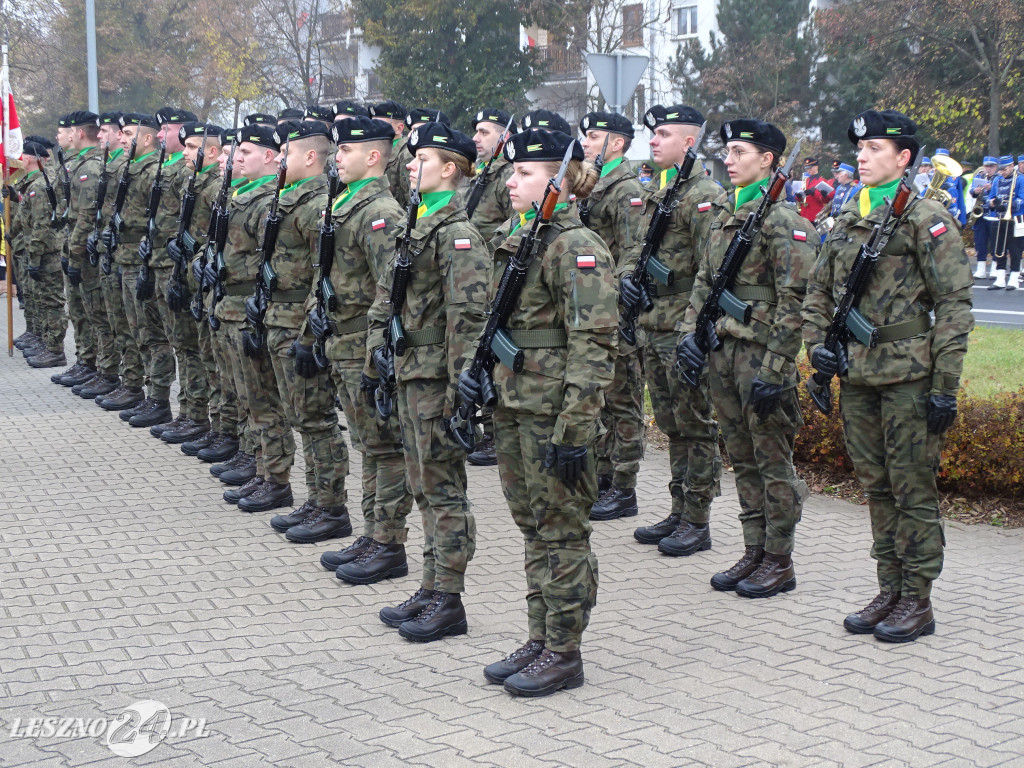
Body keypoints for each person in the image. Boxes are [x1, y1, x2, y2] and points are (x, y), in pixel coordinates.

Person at [803, 109, 974, 642]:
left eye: (875, 147)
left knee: (911, 487)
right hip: (856, 375)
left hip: (908, 375)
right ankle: (889, 586)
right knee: (876, 488)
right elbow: (818, 294)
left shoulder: (927, 218)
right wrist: (817, 349)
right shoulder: (843, 216)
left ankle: (918, 598)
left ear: (903, 159)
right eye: (859, 147)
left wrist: (944, 385)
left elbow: (954, 305)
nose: (862, 155)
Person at [462, 127, 615, 697]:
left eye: (525, 172)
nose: (511, 179)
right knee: (532, 527)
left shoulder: (575, 249)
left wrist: (576, 428)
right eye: (512, 170)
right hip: (513, 404)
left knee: (563, 530)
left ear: (561, 178)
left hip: (553, 412)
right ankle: (539, 634)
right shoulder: (518, 236)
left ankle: (565, 650)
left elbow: (594, 344)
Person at [678, 118, 816, 598]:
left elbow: (796, 303)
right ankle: (754, 549)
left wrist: (777, 370)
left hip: (760, 357)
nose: (729, 160)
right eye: (728, 151)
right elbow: (704, 280)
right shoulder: (723, 211)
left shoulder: (784, 222)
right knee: (742, 457)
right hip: (723, 350)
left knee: (772, 460)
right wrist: (690, 332)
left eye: (740, 152)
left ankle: (779, 558)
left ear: (768, 160)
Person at [366, 121, 488, 643]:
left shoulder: (458, 236)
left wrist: (462, 393)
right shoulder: (417, 225)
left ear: (451, 170)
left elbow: (468, 319)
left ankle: (450, 597)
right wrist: (377, 358)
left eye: (422, 160)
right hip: (408, 375)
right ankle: (430, 583)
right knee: (421, 486)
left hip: (435, 381)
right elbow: (386, 295)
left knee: (444, 490)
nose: (411, 166)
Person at [309, 116, 415, 580]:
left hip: (363, 342)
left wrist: (379, 352)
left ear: (374, 157)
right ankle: (373, 533)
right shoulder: (347, 205)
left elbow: (390, 289)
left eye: (347, 151)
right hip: (344, 340)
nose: (337, 158)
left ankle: (389, 544)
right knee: (369, 443)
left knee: (386, 447)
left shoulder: (382, 214)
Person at [620, 105, 723, 556]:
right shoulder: (660, 193)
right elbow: (641, 251)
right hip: (653, 324)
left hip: (681, 326)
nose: (654, 141)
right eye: (653, 134)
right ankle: (679, 508)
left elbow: (711, 270)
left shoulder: (704, 196)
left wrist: (695, 331)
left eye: (663, 134)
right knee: (672, 424)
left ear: (689, 142)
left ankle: (698, 519)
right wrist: (630, 281)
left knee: (695, 425)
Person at [212, 124, 296, 509]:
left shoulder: (267, 203)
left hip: (249, 310)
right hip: (230, 307)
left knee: (264, 402)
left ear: (270, 156)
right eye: (237, 151)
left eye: (246, 151)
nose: (237, 158)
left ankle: (275, 480)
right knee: (248, 399)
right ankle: (261, 470)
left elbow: (269, 262)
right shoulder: (238, 195)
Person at [575, 111, 647, 521]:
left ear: (616, 143)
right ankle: (602, 476)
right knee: (599, 397)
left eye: (595, 136)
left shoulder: (625, 189)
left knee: (622, 399)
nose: (587, 141)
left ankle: (624, 486)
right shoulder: (593, 183)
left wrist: (618, 296)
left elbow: (633, 249)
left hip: (614, 306)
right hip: (590, 303)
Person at [464, 107, 518, 468]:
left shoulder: (506, 177)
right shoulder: (480, 175)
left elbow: (512, 226)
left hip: (495, 278)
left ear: (504, 137)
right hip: (474, 281)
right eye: (476, 132)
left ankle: (496, 435)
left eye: (485, 132)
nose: (476, 139)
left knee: (494, 354)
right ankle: (484, 428)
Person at [17, 142, 68, 368]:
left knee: (51, 302)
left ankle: (55, 349)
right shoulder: (34, 184)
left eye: (21, 156)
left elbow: (41, 224)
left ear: (29, 158)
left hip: (47, 252)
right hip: (40, 250)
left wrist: (35, 257)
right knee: (41, 300)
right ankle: (47, 343)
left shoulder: (39, 185)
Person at [986, 155, 1023, 290]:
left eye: (1005, 169)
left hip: (1015, 219)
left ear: (1012, 166)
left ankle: (1014, 278)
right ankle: (1000, 278)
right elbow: (990, 198)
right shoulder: (997, 180)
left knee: (1015, 249)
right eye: (1000, 169)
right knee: (998, 249)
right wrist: (992, 203)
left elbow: (1022, 199)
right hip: (999, 218)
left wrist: (1008, 205)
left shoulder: (1020, 179)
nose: (1002, 172)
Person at [969, 157, 998, 279]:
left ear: (996, 167)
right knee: (980, 241)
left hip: (993, 214)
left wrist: (990, 188)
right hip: (981, 214)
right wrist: (975, 191)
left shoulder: (998, 178)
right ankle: (981, 268)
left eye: (991, 166)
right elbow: (971, 191)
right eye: (986, 166)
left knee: (995, 241)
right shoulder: (980, 177)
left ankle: (995, 268)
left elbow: (1001, 194)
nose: (988, 169)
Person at [796, 157, 832, 224]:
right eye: (807, 168)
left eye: (810, 168)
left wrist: (813, 193)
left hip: (814, 215)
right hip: (804, 214)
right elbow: (801, 198)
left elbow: (825, 200)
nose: (808, 170)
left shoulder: (822, 181)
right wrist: (798, 196)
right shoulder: (806, 180)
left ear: (816, 167)